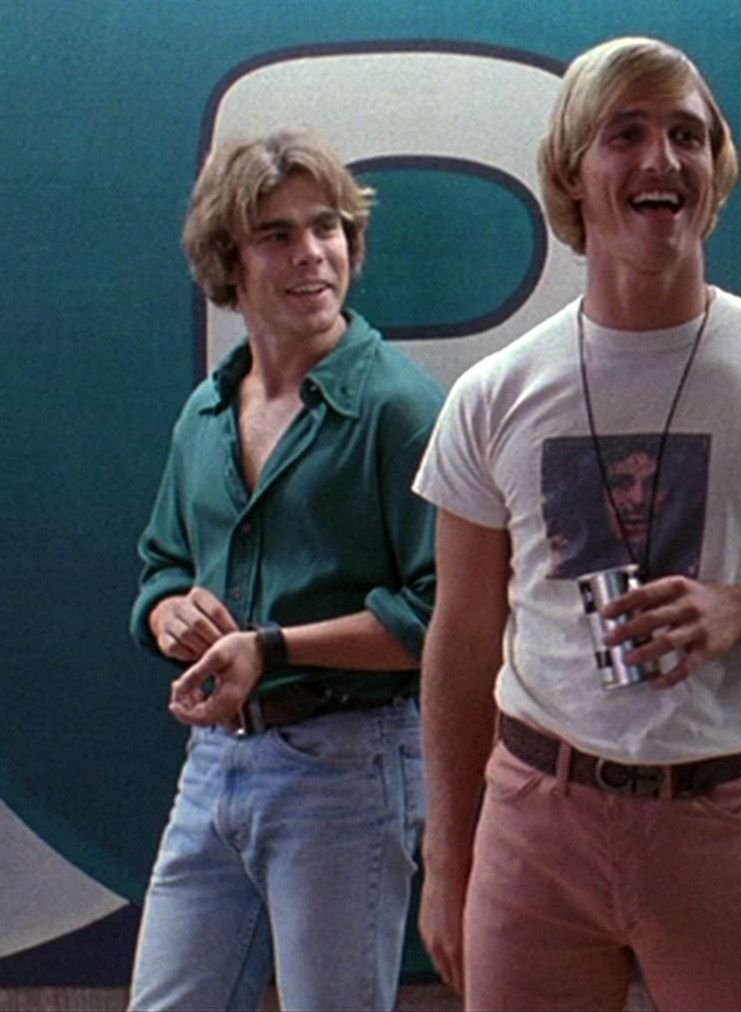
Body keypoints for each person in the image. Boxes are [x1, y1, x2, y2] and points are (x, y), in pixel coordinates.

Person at [411, 36, 741, 1011]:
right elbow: (461, 639)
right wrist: (449, 856)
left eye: (687, 135)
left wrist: (740, 609)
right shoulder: (494, 394)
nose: (662, 159)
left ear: (715, 169)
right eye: (626, 134)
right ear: (572, 171)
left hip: (721, 822)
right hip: (536, 823)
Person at [127, 128, 442, 1011]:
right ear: (227, 262)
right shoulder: (206, 412)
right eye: (276, 234)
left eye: (327, 226)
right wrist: (169, 615)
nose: (311, 253)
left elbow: (442, 619)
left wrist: (270, 647)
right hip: (214, 762)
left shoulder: (401, 409)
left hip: (349, 763)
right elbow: (160, 567)